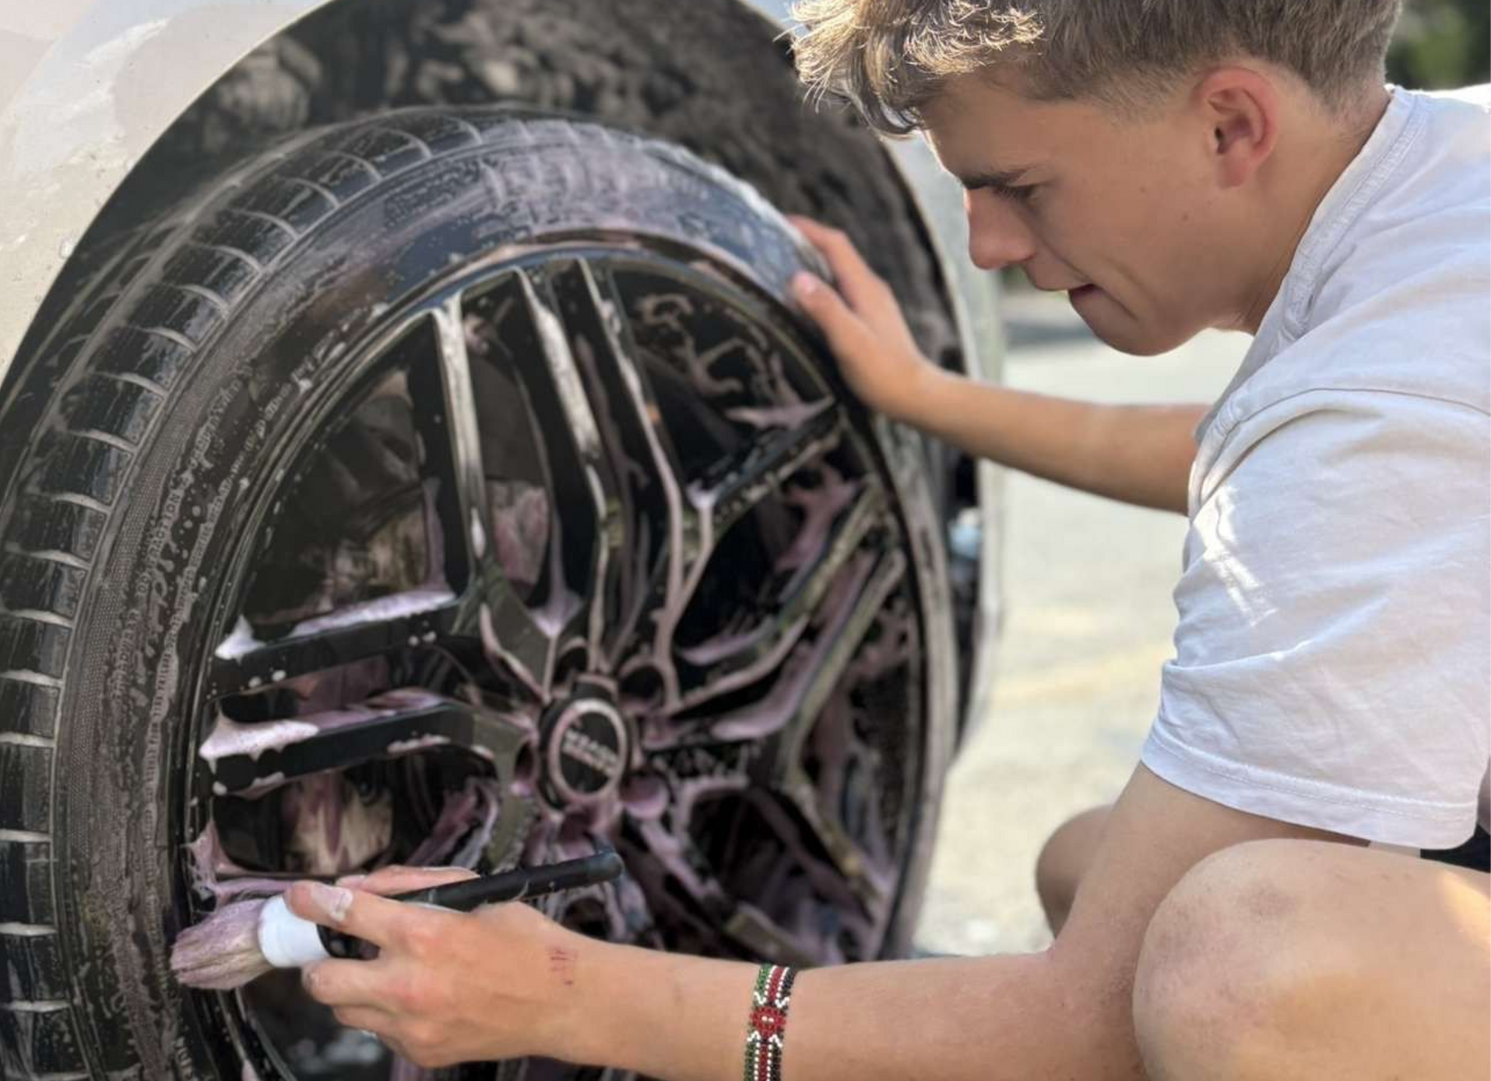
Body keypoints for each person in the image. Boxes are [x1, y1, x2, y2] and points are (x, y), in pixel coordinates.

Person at [277, 1, 1491, 1076]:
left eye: (1020, 185)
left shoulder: (1378, 414)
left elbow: (1079, 1029)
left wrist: (574, 999)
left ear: (1231, 125)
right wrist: (932, 399)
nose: (990, 248)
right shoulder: (1438, 200)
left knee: (1252, 965)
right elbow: (1266, 461)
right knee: (1098, 869)